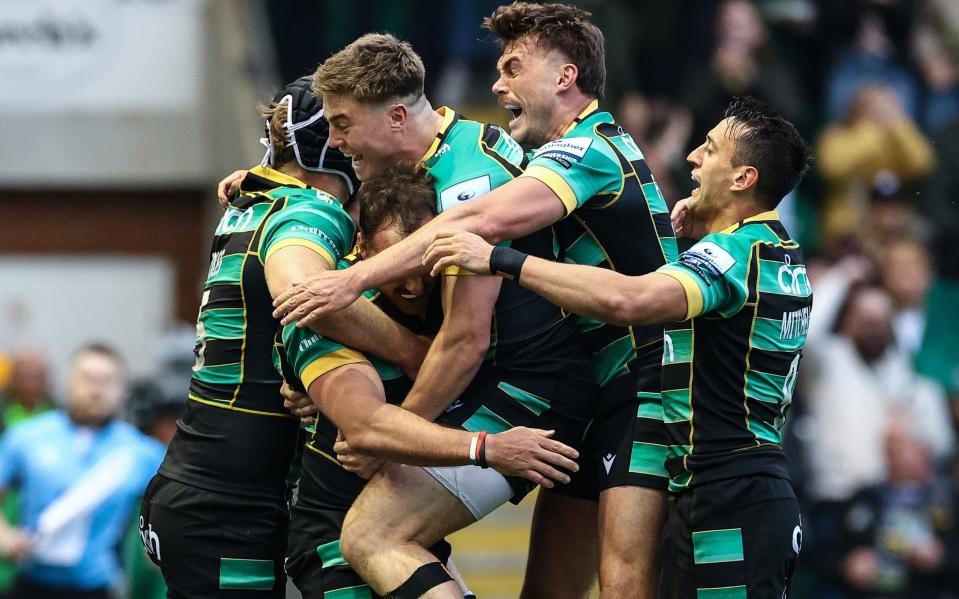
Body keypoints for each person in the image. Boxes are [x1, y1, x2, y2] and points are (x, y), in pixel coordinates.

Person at [268, 5, 678, 595]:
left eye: (512, 67)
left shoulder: (488, 167)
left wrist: (392, 431)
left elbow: (464, 335)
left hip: (585, 387)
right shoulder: (453, 162)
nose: (334, 140)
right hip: (592, 383)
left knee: (371, 533)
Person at [144, 74, 573, 599]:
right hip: (232, 505)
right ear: (362, 249)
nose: (414, 282)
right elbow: (304, 298)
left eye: (426, 266)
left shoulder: (265, 203)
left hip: (231, 491)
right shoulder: (324, 272)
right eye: (339, 127)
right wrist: (473, 432)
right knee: (373, 538)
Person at [424, 96, 813, 598]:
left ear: (744, 179)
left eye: (711, 150)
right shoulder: (776, 251)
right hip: (733, 486)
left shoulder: (735, 252)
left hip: (729, 492)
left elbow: (631, 300)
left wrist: (501, 258)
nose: (693, 157)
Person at [0, 344, 163, 599]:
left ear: (124, 391)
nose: (96, 390)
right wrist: (4, 535)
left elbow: (169, 513)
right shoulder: (26, 436)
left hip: (98, 586)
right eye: (88, 378)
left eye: (107, 381)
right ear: (68, 382)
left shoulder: (143, 453)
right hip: (29, 583)